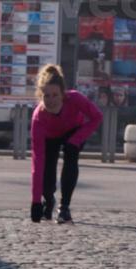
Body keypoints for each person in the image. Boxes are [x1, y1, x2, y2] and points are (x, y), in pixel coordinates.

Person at [29, 64, 102, 224]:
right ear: (41, 96)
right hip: (50, 137)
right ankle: (48, 202)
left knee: (71, 154)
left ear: (63, 94)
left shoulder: (75, 99)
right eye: (46, 96)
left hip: (73, 132)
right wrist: (35, 201)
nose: (51, 100)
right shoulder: (38, 119)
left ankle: (64, 207)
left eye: (55, 95)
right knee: (47, 177)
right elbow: (37, 162)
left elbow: (97, 117)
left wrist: (76, 139)